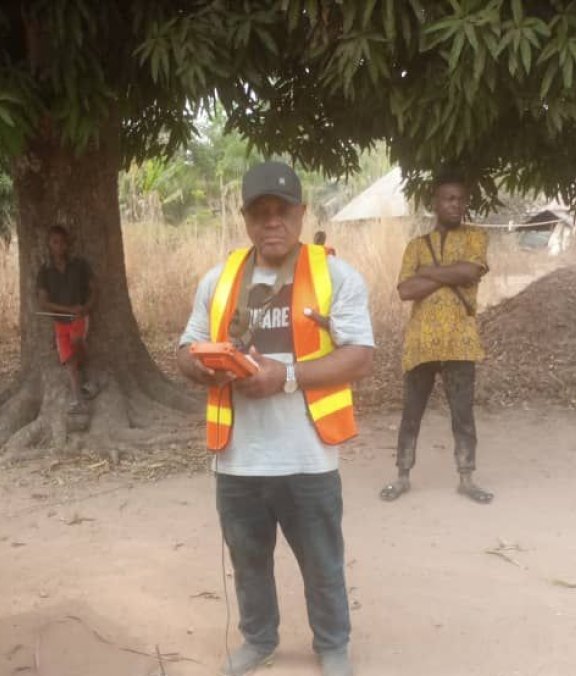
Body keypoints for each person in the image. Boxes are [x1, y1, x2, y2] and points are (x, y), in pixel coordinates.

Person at [177, 161, 375, 676]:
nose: (272, 222)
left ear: (301, 213)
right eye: (259, 212)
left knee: (322, 563)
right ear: (245, 218)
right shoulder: (217, 281)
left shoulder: (335, 275)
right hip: (239, 460)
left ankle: (332, 645)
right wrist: (205, 369)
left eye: (282, 211)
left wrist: (283, 377)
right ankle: (259, 639)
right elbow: (184, 349)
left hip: (307, 456)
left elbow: (359, 356)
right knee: (248, 564)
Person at [379, 170, 494, 504]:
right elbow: (405, 290)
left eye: (461, 199)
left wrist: (427, 272)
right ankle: (402, 476)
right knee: (411, 412)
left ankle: (467, 478)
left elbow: (471, 271)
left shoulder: (476, 237)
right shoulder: (416, 245)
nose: (456, 205)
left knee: (463, 414)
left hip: (461, 340)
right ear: (436, 203)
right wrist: (450, 274)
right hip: (421, 343)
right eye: (449, 198)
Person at [36, 225, 97, 412]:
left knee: (77, 340)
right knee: (69, 361)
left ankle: (88, 374)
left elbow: (95, 289)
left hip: (79, 318)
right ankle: (78, 400)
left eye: (62, 242)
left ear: (67, 244)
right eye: (55, 242)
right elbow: (43, 303)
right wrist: (67, 309)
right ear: (49, 244)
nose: (59, 246)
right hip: (60, 322)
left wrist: (85, 308)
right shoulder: (45, 271)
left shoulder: (79, 265)